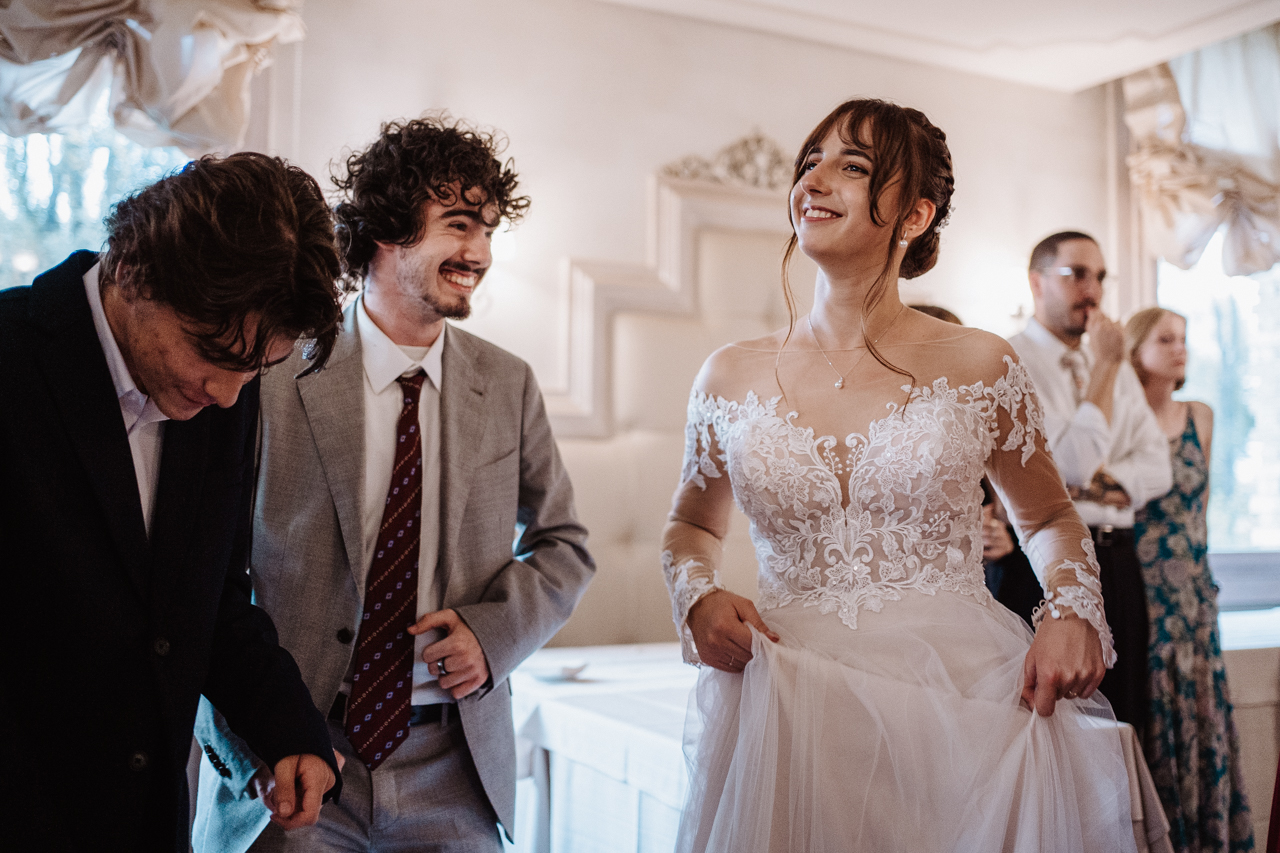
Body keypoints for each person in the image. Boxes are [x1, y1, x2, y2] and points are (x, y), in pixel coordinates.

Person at [661, 98, 1138, 852]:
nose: (814, 180)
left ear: (914, 215)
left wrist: (1072, 611)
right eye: (810, 162)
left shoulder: (981, 362)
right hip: (789, 704)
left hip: (960, 703)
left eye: (852, 166)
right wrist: (697, 597)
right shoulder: (727, 374)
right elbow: (691, 525)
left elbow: (1048, 518)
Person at [192, 115, 596, 853]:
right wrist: (256, 747)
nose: (479, 252)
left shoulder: (509, 383)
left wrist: (494, 633)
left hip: (456, 771)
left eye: (488, 231)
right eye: (459, 225)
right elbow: (203, 576)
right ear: (384, 229)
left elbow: (565, 545)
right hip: (297, 759)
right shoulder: (272, 370)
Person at [0, 153, 344, 852]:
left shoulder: (218, 391)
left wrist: (287, 726)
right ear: (135, 272)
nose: (228, 394)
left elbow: (208, 599)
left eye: (257, 369)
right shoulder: (11, 357)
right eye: (213, 353)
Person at [1009, 231, 1172, 733]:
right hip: (1042, 568)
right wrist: (1104, 365)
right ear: (1037, 282)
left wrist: (1084, 483)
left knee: (1124, 720)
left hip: (1119, 562)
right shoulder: (1009, 361)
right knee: (1051, 726)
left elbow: (1158, 466)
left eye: (1100, 277)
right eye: (1077, 274)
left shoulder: (1114, 362)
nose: (1094, 291)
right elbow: (1074, 464)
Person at [1126, 307, 1254, 852]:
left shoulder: (1200, 415)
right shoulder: (1121, 418)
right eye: (1166, 339)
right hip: (1142, 589)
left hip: (1194, 593)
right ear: (1136, 351)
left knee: (1203, 713)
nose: (1180, 348)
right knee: (1154, 710)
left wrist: (1203, 584)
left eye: (1183, 338)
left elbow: (1199, 509)